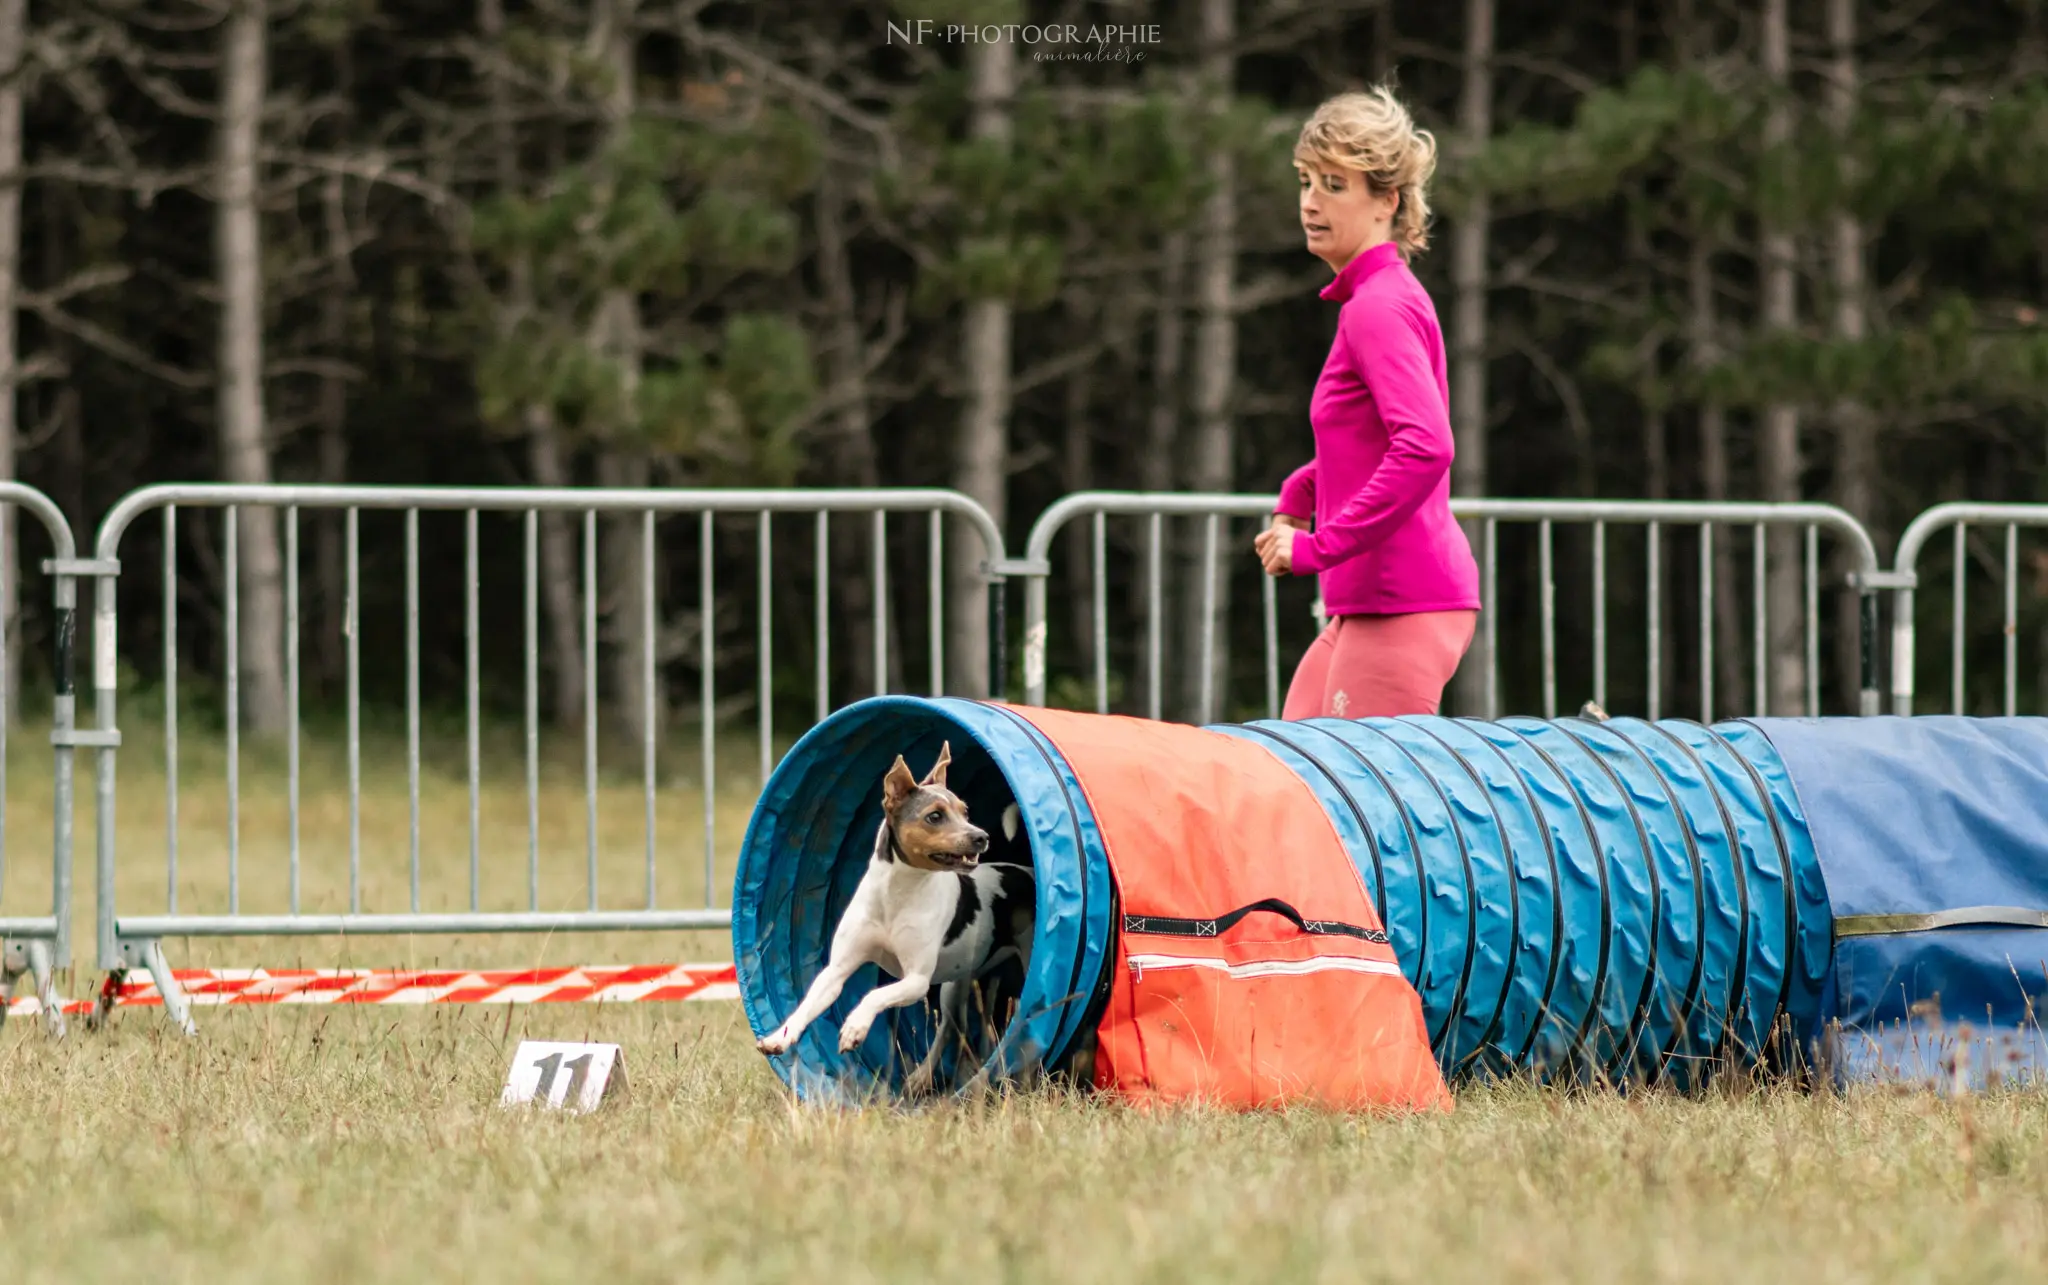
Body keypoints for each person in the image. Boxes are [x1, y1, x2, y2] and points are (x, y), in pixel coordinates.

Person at [1253, 87, 1480, 719]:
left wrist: (1320, 545)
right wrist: (1302, 496)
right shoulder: (1375, 299)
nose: (1309, 201)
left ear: (1389, 201)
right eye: (1305, 181)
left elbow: (1426, 447)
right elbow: (1372, 446)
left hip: (1403, 600)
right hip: (1370, 603)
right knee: (1289, 771)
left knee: (1362, 810)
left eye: (1334, 184)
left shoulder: (1377, 307)